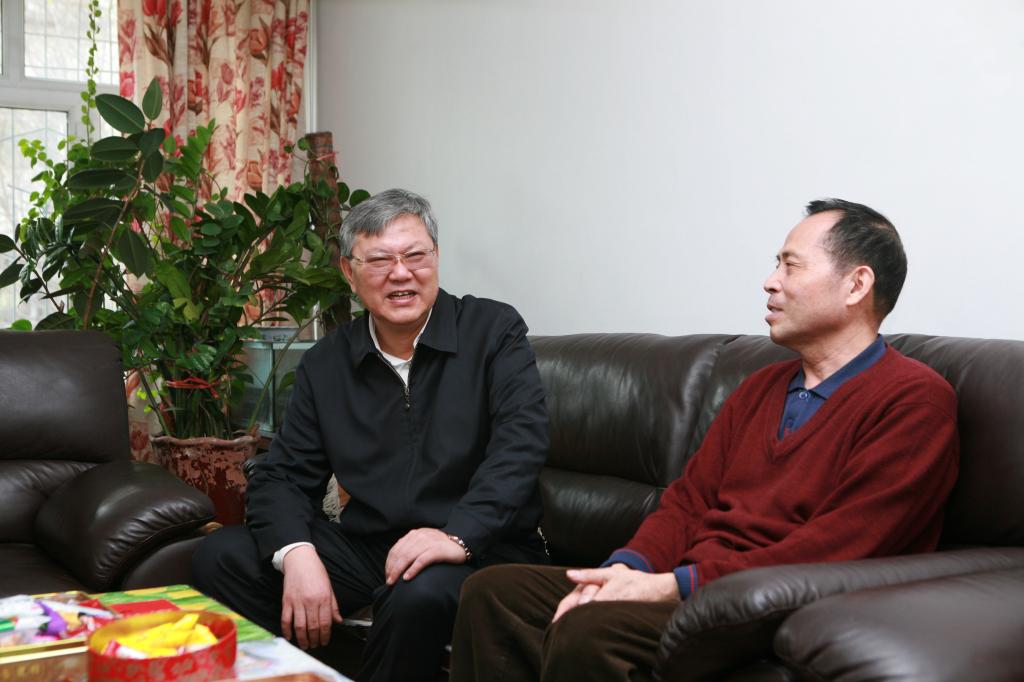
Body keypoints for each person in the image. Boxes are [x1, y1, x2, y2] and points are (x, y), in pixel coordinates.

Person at [449, 198, 960, 682]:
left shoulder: (913, 401)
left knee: (590, 627)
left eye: (790, 266)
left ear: (856, 285)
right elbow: (688, 503)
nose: (770, 282)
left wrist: (671, 586)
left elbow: (840, 547)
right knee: (494, 591)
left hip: (771, 604)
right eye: (775, 265)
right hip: (696, 587)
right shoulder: (760, 387)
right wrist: (625, 570)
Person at [192, 188, 550, 682]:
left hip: (482, 546)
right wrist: (297, 553)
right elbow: (283, 475)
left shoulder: (493, 330)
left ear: (436, 257)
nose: (401, 273)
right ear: (349, 271)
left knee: (417, 594)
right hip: (373, 547)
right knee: (221, 556)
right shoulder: (327, 363)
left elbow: (520, 447)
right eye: (380, 260)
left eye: (415, 255)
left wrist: (458, 535)